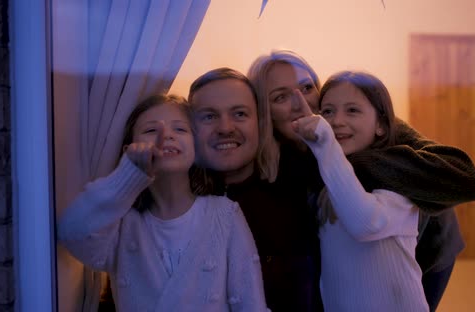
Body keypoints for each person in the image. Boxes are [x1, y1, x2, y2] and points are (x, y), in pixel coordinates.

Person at [247, 50, 475, 312]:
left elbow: (465, 177)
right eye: (280, 96)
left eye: (307, 87)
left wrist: (350, 160)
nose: (300, 102)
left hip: (427, 249)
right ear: (263, 112)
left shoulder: (359, 125)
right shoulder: (277, 158)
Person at [57, 94, 267, 312]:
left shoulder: (225, 214)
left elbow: (251, 305)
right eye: (150, 130)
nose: (166, 135)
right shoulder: (121, 224)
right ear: (128, 150)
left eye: (180, 129)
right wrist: (128, 174)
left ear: (195, 147)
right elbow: (73, 233)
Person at [188, 68, 322, 311]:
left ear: (261, 123)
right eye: (209, 117)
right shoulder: (171, 200)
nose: (225, 128)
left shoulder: (303, 181)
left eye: (239, 114)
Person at [293, 71, 428, 311]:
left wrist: (325, 143)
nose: (336, 121)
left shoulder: (399, 175)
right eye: (328, 111)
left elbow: (365, 222)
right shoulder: (331, 176)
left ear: (381, 126)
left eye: (352, 110)